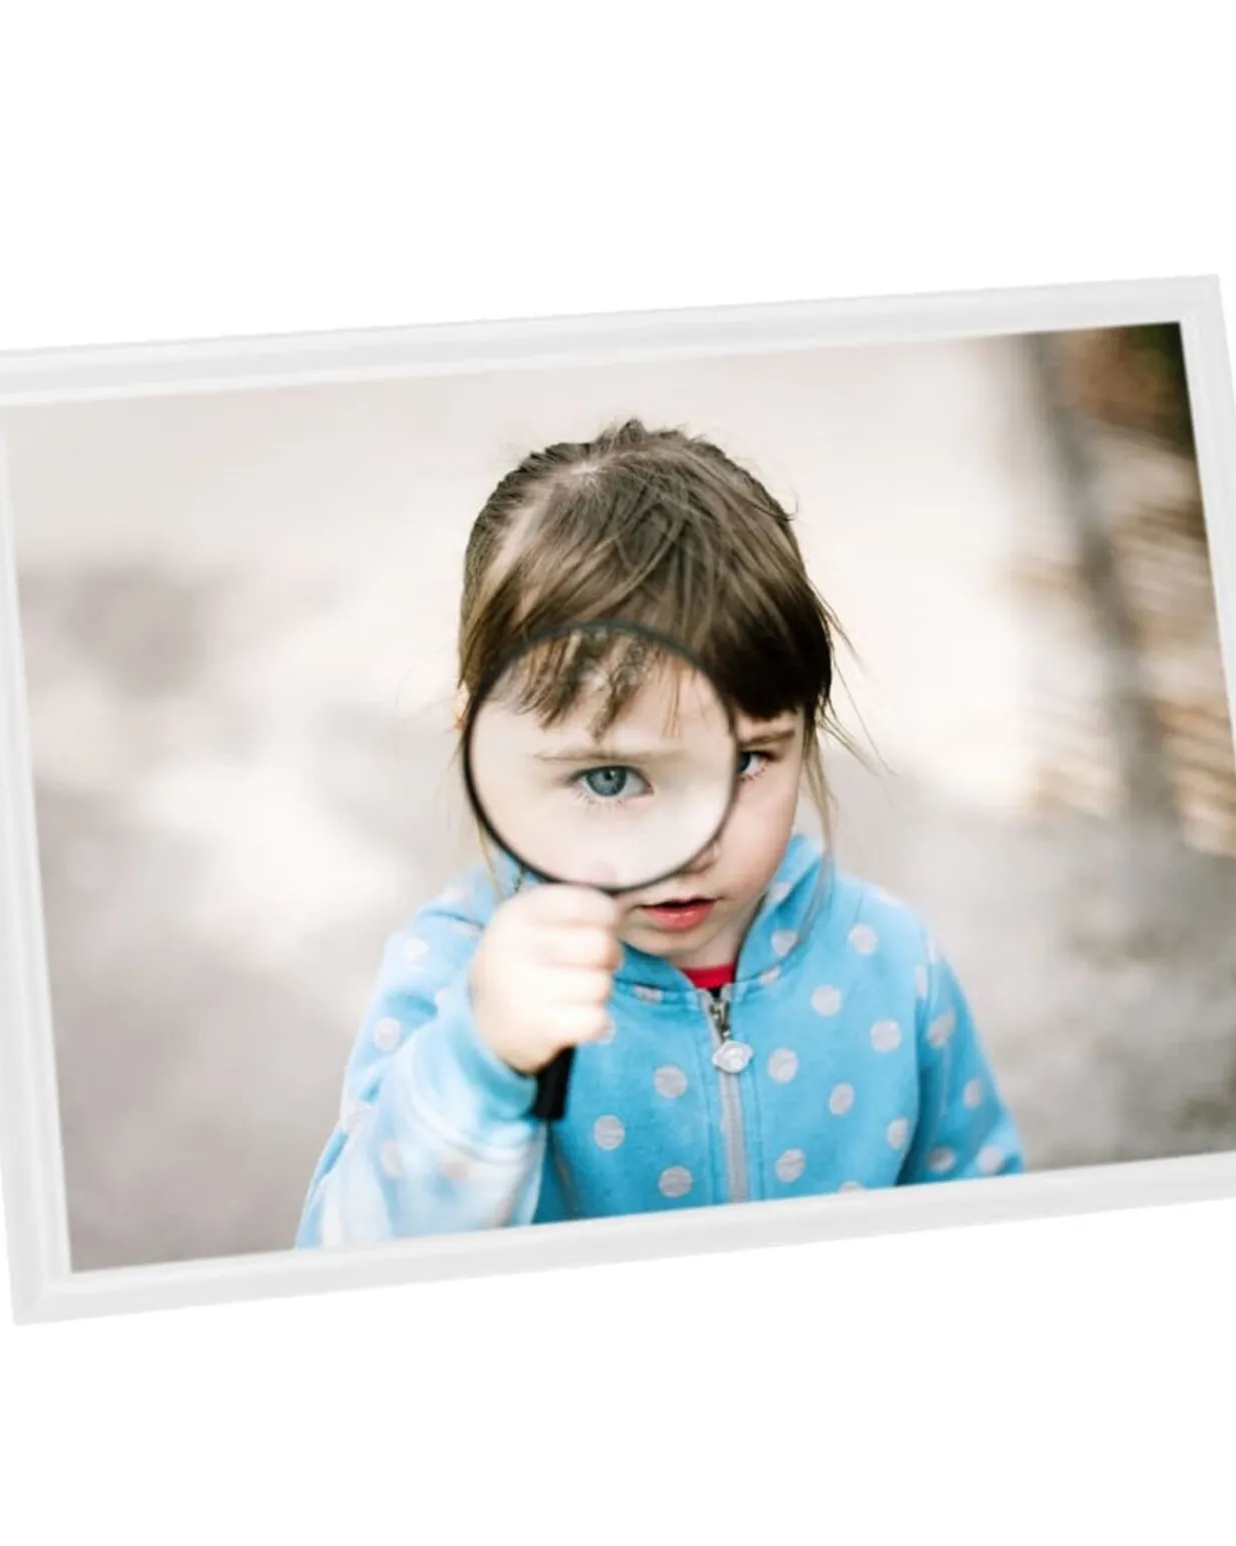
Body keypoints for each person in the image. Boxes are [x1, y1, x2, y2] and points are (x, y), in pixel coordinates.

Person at [296, 420, 1022, 1247]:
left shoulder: (890, 960)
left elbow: (980, 1200)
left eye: (745, 761)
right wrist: (478, 1068)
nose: (693, 845)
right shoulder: (456, 978)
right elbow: (345, 1255)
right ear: (480, 746)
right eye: (611, 778)